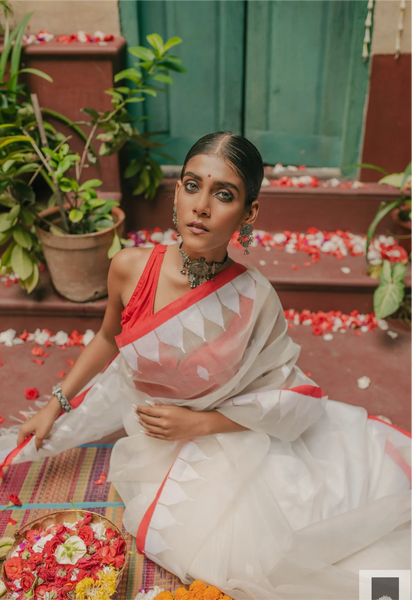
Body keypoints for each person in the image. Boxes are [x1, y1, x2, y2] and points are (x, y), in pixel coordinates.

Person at [3, 132, 412, 600]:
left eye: (224, 194)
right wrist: (55, 404)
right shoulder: (129, 267)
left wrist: (198, 424)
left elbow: (283, 392)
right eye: (192, 185)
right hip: (153, 437)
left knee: (268, 553)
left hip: (225, 437)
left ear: (249, 213)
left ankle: (392, 589)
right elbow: (106, 339)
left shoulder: (254, 298)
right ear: (176, 192)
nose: (201, 206)